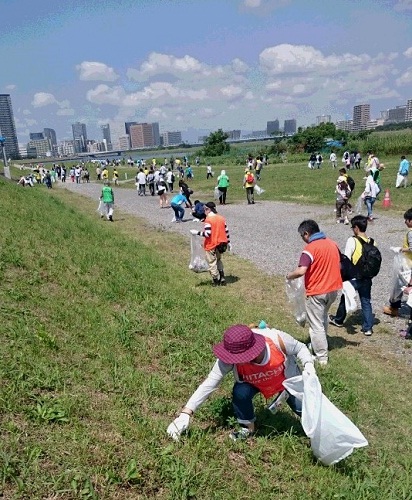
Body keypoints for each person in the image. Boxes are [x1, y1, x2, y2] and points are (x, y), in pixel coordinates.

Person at [166, 323, 316, 441]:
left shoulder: (277, 339)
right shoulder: (231, 354)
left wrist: (308, 364)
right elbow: (210, 382)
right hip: (254, 382)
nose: (235, 361)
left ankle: (319, 433)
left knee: (306, 410)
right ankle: (248, 428)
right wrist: (186, 413)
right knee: (240, 392)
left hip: (285, 381)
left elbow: (300, 347)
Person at [286, 220, 342, 365]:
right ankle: (319, 344)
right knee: (323, 318)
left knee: (315, 324)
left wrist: (289, 275)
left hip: (317, 291)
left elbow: (301, 271)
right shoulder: (332, 243)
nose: (302, 239)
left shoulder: (310, 249)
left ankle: (321, 357)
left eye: (302, 236)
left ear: (306, 233)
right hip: (333, 289)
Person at [329, 215, 375, 336]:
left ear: (356, 228)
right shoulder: (372, 241)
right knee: (366, 301)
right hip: (367, 276)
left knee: (346, 296)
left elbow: (347, 259)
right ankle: (368, 327)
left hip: (354, 275)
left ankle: (339, 319)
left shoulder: (352, 240)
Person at [190, 201, 230, 286]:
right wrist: (228, 242)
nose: (204, 211)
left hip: (211, 244)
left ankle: (215, 280)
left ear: (208, 209)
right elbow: (226, 231)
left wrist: (196, 232)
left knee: (212, 262)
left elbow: (207, 234)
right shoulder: (221, 218)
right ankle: (222, 278)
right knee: (219, 260)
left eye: (204, 209)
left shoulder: (208, 219)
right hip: (221, 244)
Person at [383, 208, 412, 317]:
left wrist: (400, 249)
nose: (405, 222)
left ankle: (393, 308)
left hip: (408, 263)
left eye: (407, 220)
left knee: (398, 285)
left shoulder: (410, 233)